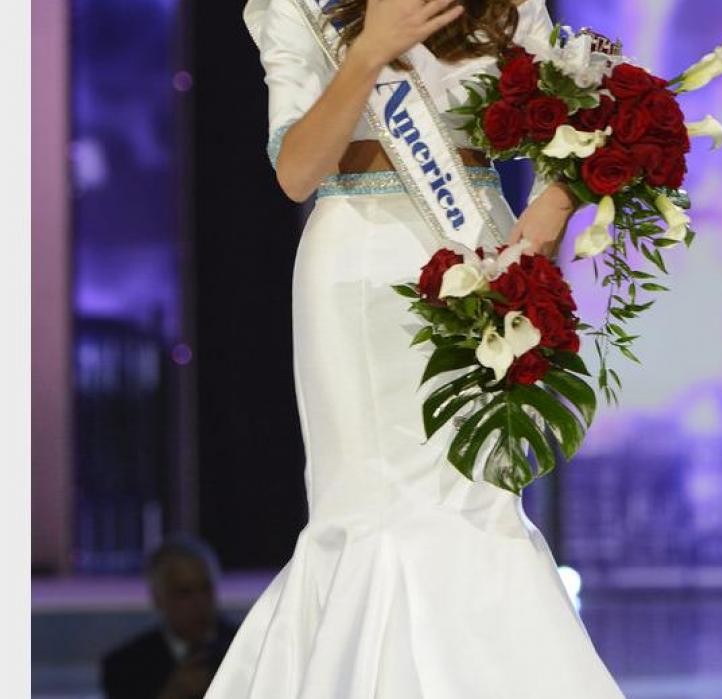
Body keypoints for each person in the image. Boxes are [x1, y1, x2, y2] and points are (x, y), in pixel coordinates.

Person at [204, 0, 625, 696]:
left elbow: (577, 107)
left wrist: (550, 211)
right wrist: (370, 51)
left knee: (478, 502)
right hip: (356, 269)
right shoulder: (299, 7)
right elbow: (297, 171)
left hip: (479, 251)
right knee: (368, 510)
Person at [100, 535, 238, 699]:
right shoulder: (125, 667)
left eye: (205, 588)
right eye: (184, 593)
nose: (199, 602)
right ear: (159, 599)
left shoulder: (249, 647)